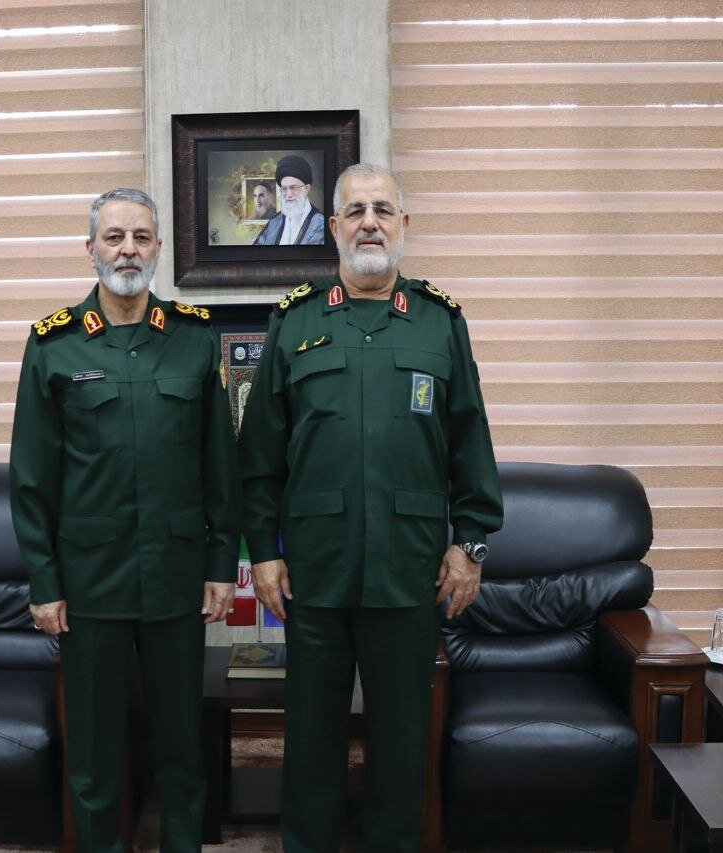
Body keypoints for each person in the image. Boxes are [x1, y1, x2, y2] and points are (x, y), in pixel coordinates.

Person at [237, 163, 503, 851]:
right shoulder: (295, 321)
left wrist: (470, 544)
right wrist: (263, 551)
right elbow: (260, 455)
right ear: (332, 227)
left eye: (383, 210)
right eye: (355, 211)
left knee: (401, 744)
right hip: (314, 574)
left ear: (403, 224)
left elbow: (470, 443)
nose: (369, 224)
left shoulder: (440, 322)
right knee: (311, 742)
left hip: (409, 572)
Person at [10, 187, 241, 853]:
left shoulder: (194, 339)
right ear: (91, 249)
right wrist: (44, 582)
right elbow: (31, 478)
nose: (128, 250)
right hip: (90, 584)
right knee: (94, 754)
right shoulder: (52, 345)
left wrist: (221, 565)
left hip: (175, 577)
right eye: (114, 237)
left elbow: (219, 468)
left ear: (159, 247)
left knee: (181, 747)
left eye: (141, 237)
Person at [252, 154, 326, 245]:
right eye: (284, 189)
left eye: (293, 188)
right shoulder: (274, 221)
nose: (288, 195)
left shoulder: (321, 224)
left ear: (306, 189)